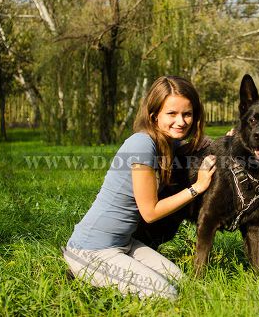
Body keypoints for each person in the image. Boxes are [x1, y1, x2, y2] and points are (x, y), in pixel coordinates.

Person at [63, 76, 216, 299]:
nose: (181, 121)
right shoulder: (142, 144)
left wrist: (228, 140)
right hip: (91, 249)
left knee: (182, 282)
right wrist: (197, 187)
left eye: (187, 114)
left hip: (124, 243)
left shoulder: (166, 142)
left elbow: (197, 145)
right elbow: (150, 212)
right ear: (154, 116)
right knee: (167, 294)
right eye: (172, 114)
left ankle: (105, 277)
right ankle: (85, 275)